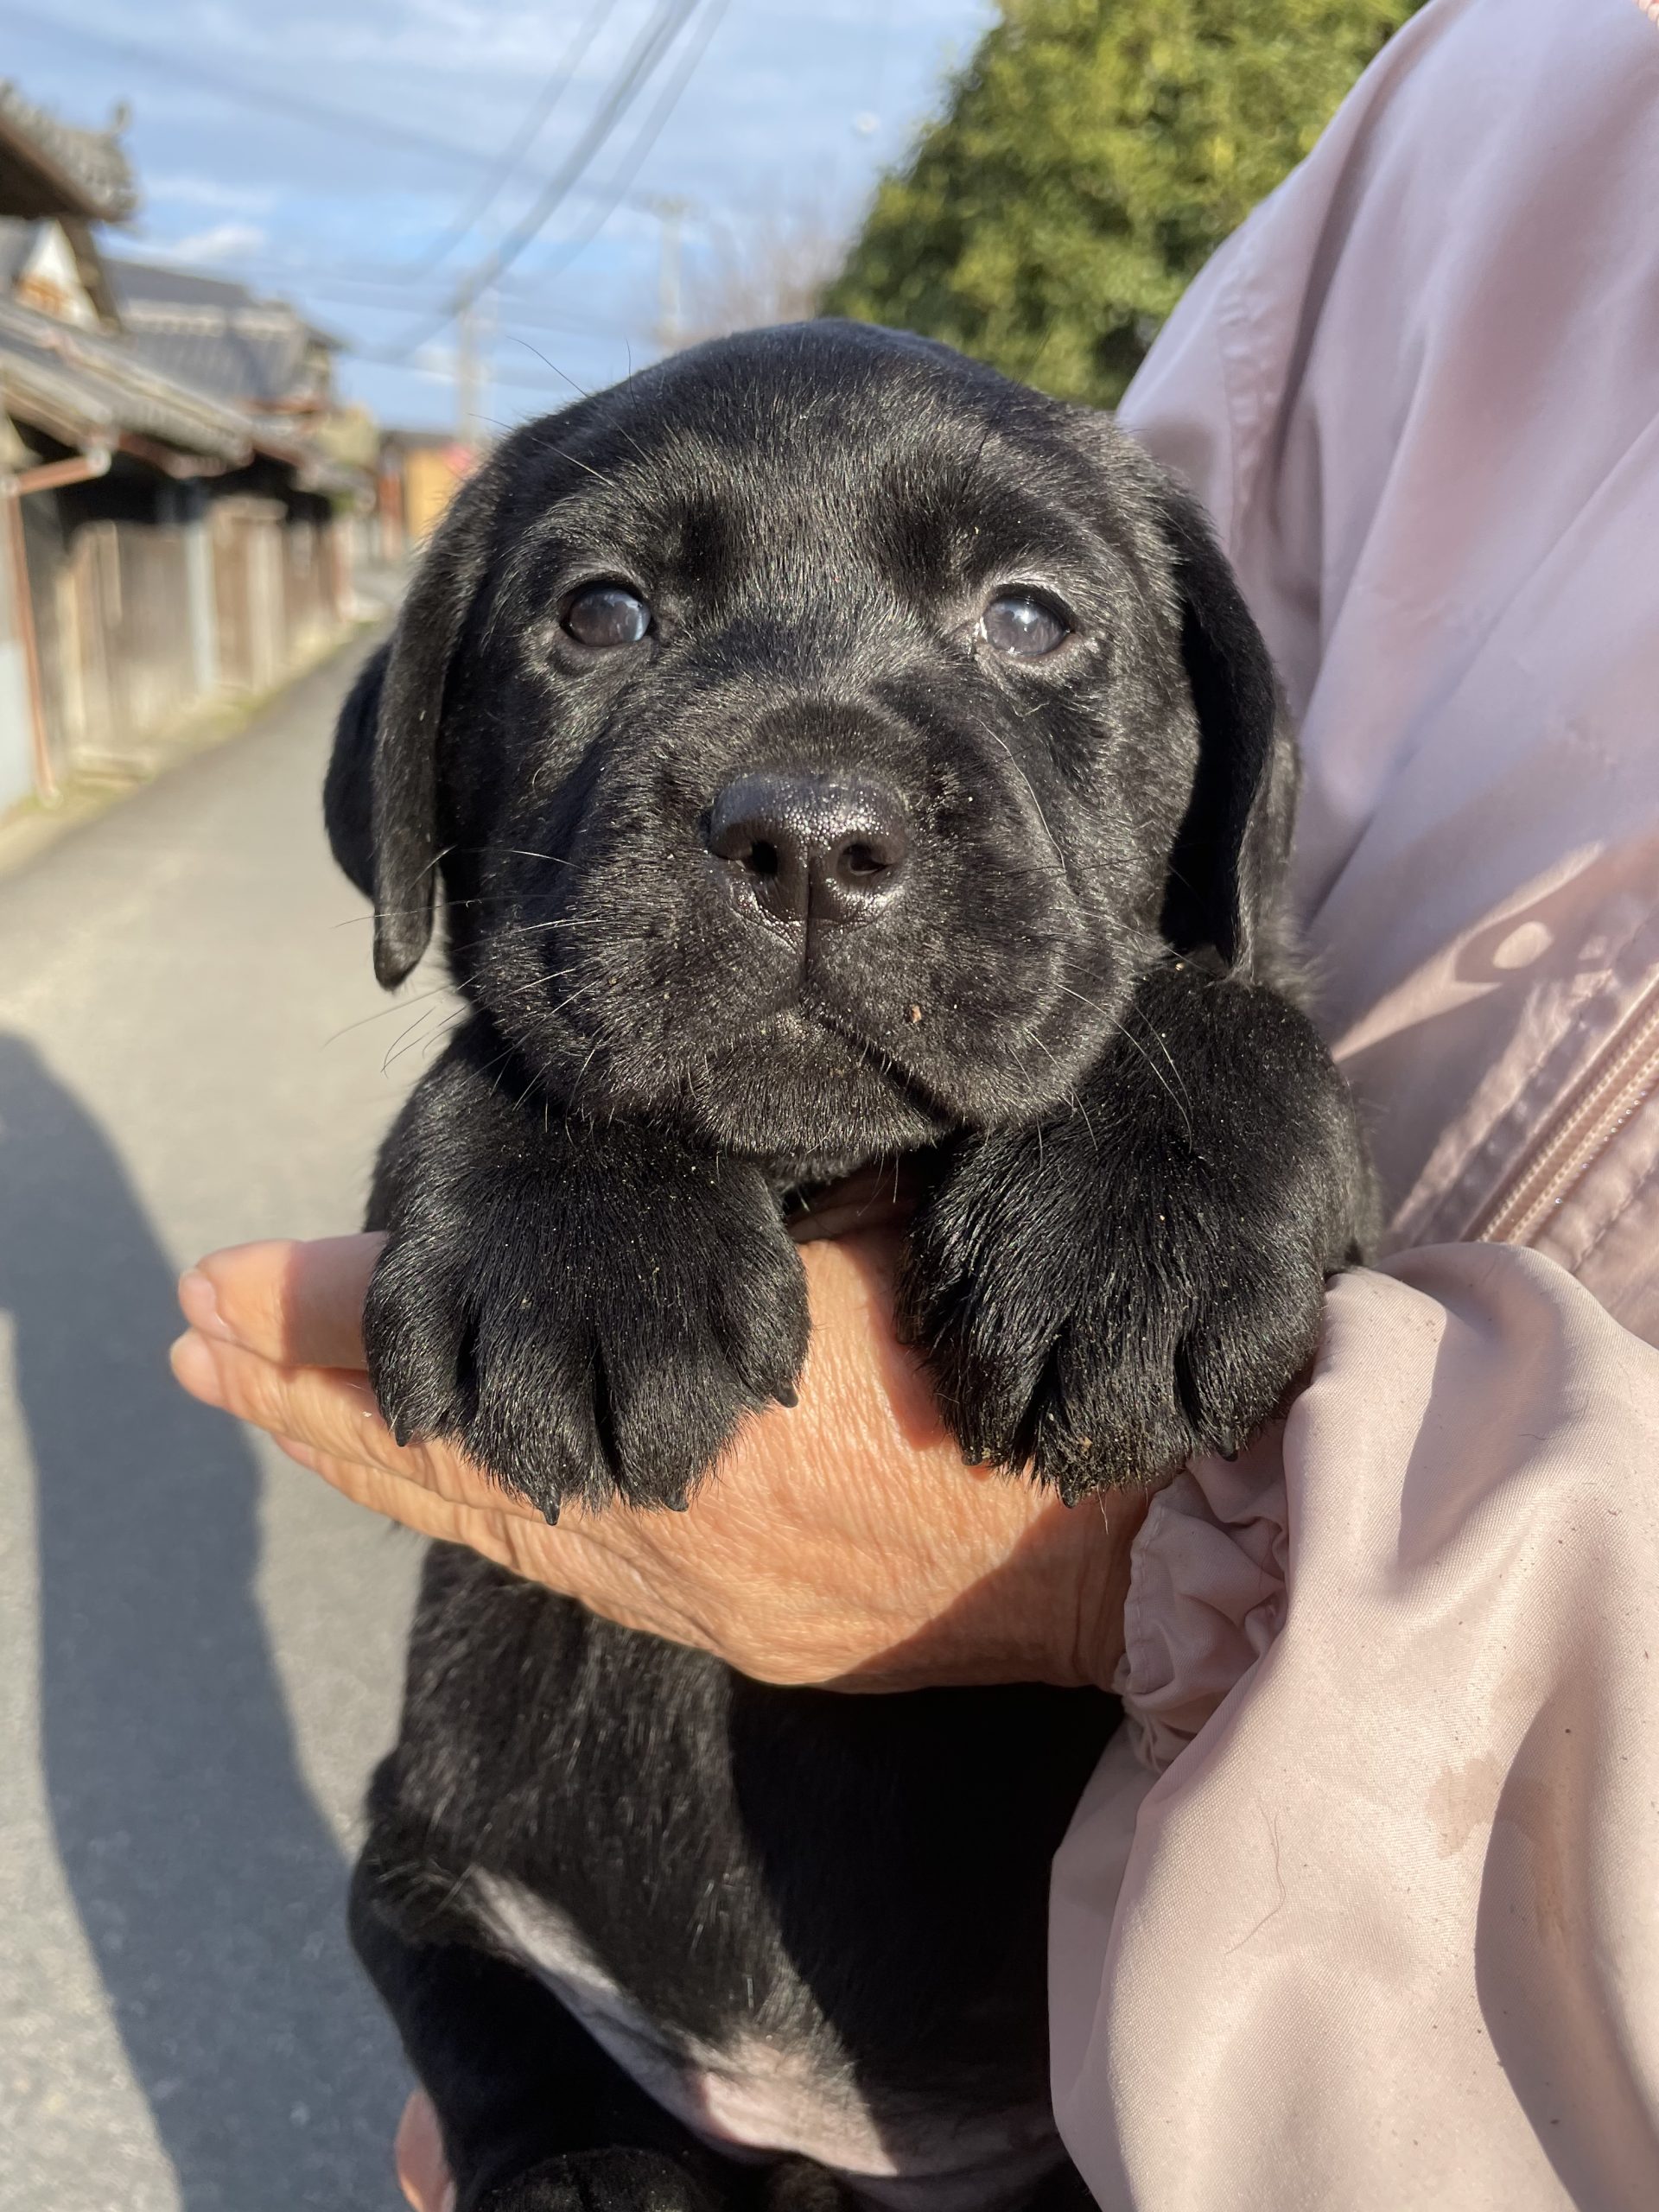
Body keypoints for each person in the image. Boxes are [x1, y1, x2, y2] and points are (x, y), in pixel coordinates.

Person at [171, 0, 1659, 2203]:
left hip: (1231, 2065)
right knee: (442, 1929)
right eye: (604, 607)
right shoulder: (1519, 88)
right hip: (575, 1976)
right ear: (424, 782)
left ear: (1209, 748)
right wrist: (537, 1110)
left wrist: (1204, 1066)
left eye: (1030, 616)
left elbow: (1218, 949)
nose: (810, 788)